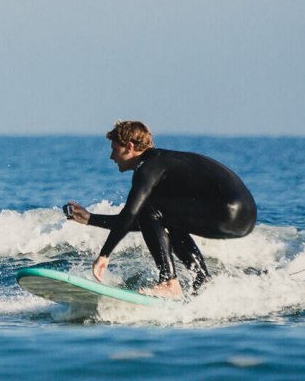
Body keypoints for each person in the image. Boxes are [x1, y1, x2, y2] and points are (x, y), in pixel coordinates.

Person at [64, 120, 256, 298]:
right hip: (245, 216)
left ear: (130, 147)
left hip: (227, 211)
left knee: (149, 207)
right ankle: (202, 281)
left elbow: (133, 213)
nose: (111, 156)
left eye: (115, 149)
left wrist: (104, 255)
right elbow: (145, 222)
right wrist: (90, 218)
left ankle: (168, 282)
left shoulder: (147, 167)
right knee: (165, 217)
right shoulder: (161, 164)